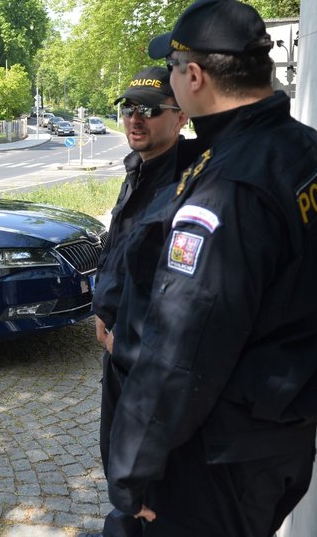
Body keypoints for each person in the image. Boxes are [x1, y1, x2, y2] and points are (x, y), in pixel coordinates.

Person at [101, 0, 317, 536]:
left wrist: (131, 473)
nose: (167, 82)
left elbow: (181, 349)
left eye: (170, 69)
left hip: (221, 459)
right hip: (279, 435)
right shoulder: (312, 151)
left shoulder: (225, 189)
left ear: (194, 76)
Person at [89, 67, 192, 535]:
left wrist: (124, 343)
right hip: (118, 354)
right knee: (115, 460)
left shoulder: (187, 182)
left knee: (144, 486)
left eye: (149, 110)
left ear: (181, 116)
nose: (135, 118)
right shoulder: (140, 169)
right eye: (128, 108)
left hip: (143, 359)